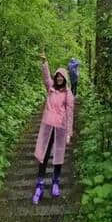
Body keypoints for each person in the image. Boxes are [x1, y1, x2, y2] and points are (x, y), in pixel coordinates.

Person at [32, 51, 74, 205]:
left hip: (60, 129)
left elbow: (70, 114)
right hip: (47, 127)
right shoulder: (50, 88)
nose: (59, 79)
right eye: (57, 76)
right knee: (43, 155)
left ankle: (55, 182)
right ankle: (40, 184)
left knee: (58, 156)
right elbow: (45, 77)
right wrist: (44, 62)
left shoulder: (68, 94)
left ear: (65, 79)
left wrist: (69, 132)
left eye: (61, 77)